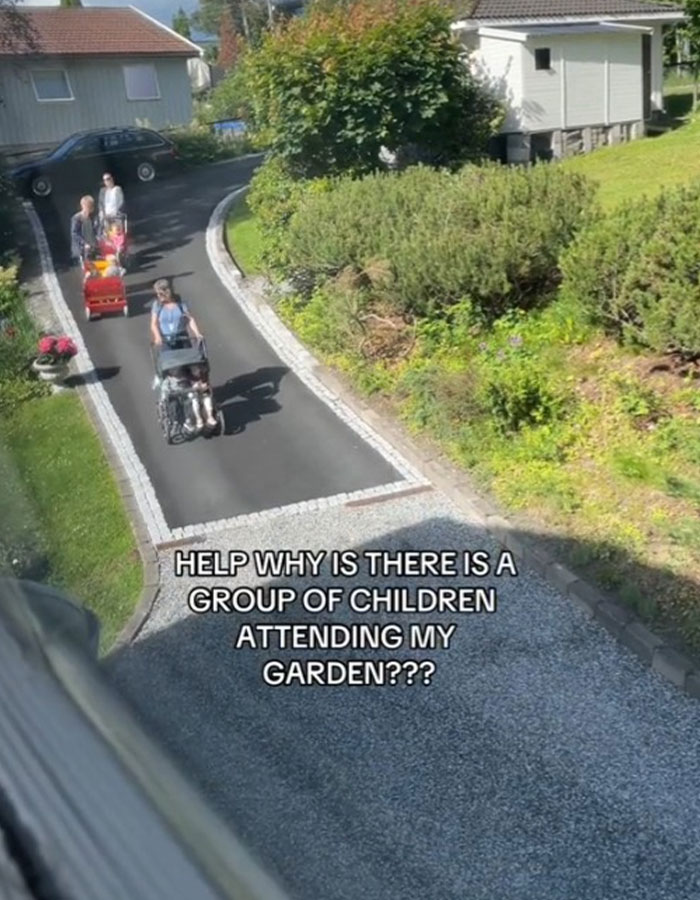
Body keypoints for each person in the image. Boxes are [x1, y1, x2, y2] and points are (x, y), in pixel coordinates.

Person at [150, 279, 203, 348]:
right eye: (157, 293)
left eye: (161, 294)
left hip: (182, 338)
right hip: (166, 340)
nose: (158, 296)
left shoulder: (180, 304)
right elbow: (154, 324)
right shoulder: (157, 305)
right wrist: (157, 337)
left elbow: (190, 319)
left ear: (168, 292)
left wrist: (197, 333)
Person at [188, 364, 217, 431]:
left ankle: (210, 416)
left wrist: (205, 386)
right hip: (193, 393)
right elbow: (187, 386)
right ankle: (198, 418)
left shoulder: (203, 374)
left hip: (203, 392)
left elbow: (207, 383)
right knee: (195, 403)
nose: (197, 371)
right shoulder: (188, 375)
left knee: (208, 401)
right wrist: (194, 388)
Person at [70, 196, 98, 265]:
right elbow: (75, 233)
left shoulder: (92, 217)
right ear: (83, 206)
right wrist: (84, 243)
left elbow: (94, 231)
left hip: (92, 246)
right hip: (83, 248)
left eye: (91, 207)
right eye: (88, 207)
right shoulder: (77, 218)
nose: (90, 209)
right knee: (86, 266)